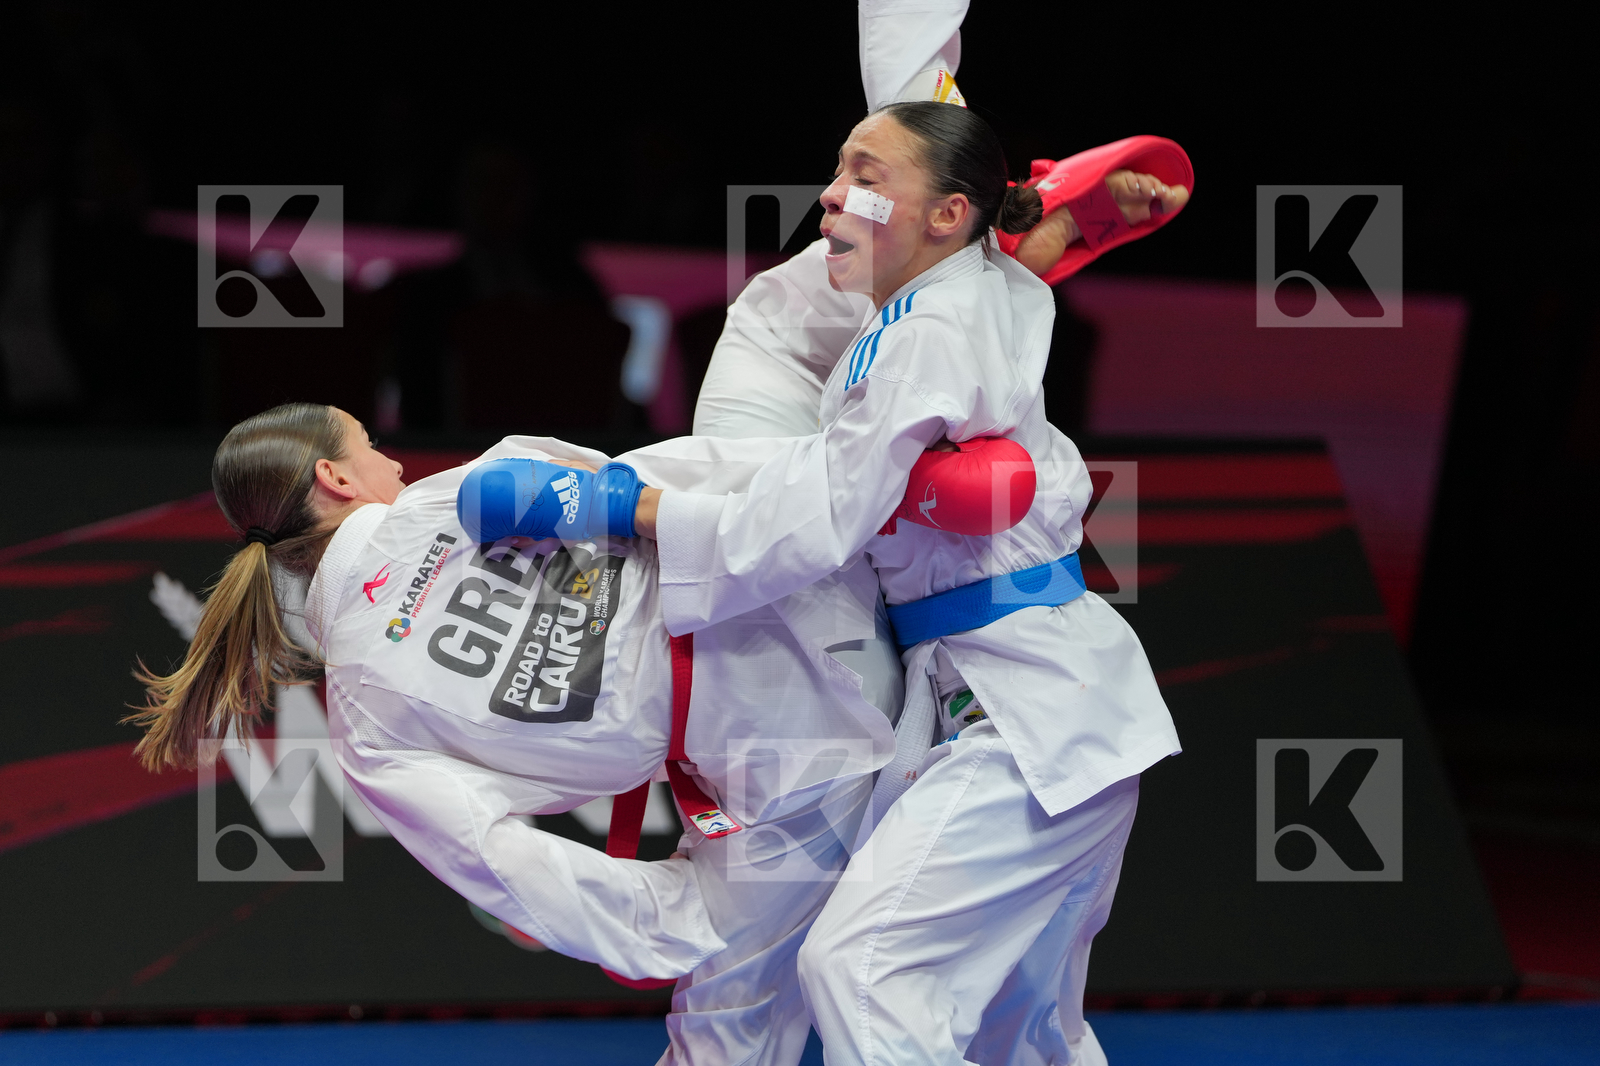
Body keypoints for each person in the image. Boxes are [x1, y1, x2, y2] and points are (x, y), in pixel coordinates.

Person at [511, 100, 1181, 1066]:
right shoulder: (955, 293)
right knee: (1023, 1034)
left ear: (947, 215)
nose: (830, 195)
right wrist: (1065, 215)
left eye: (866, 177)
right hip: (1050, 712)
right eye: (838, 169)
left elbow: (807, 524)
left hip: (1026, 721)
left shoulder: (923, 339)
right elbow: (1002, 247)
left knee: (864, 972)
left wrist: (618, 505)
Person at [129, 402, 1032, 1066]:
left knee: (734, 1035)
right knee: (993, 978)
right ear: (335, 480)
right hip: (844, 597)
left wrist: (674, 918)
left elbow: (506, 867)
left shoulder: (366, 724)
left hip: (789, 770)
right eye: (371, 447)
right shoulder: (453, 495)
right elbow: (663, 483)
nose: (392, 463)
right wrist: (861, 482)